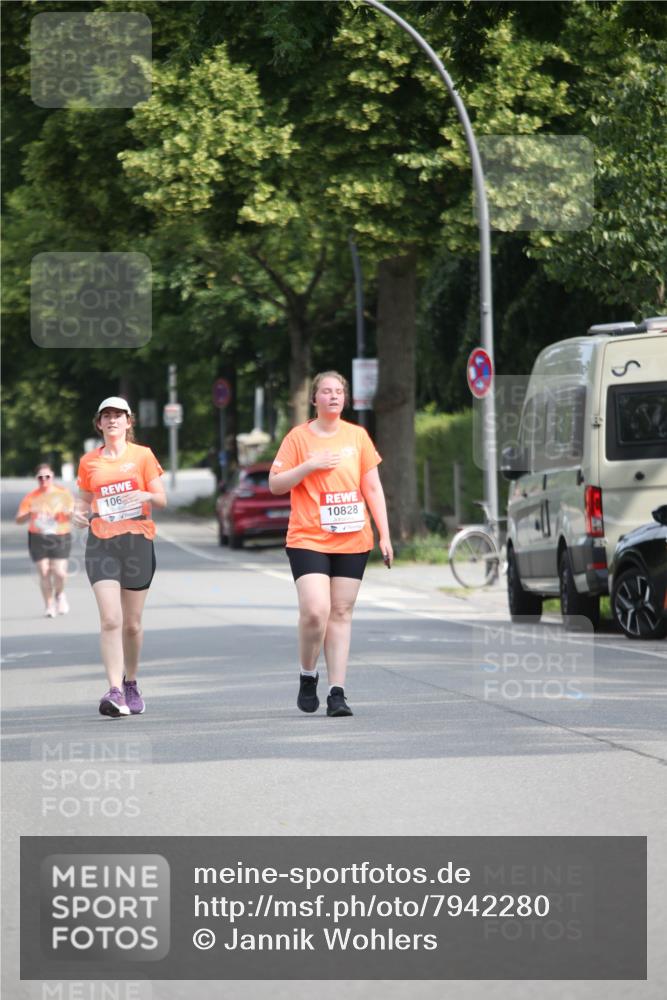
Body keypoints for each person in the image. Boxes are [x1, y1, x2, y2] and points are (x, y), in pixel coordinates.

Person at [269, 371, 393, 717]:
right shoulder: (298, 438)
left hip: (353, 536)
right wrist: (309, 465)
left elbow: (372, 488)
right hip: (308, 536)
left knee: (340, 612)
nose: (333, 396)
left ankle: (337, 692)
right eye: (326, 391)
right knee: (315, 611)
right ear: (314, 399)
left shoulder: (358, 437)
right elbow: (276, 483)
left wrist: (384, 534)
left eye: (339, 391)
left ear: (345, 398)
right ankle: (308, 674)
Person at [73, 397, 166, 718]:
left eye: (118, 416)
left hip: (138, 542)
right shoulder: (89, 462)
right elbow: (84, 500)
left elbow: (162, 498)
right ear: (99, 424)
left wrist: (146, 495)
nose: (112, 421)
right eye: (106, 416)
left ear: (129, 422)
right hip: (101, 544)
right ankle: (114, 689)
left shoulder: (142, 456)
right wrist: (78, 513)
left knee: (132, 624)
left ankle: (131, 682)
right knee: (111, 619)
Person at [16, 463, 74, 617]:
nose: (44, 480)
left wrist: (68, 512)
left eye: (47, 476)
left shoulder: (63, 493)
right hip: (38, 536)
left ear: (53, 477)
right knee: (44, 571)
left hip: (60, 535)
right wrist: (29, 513)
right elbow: (19, 519)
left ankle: (60, 595)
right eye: (40, 477)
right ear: (37, 479)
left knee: (60, 573)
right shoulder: (31, 497)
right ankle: (49, 605)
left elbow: (73, 513)